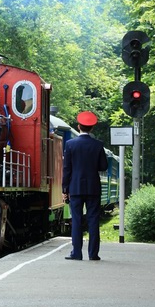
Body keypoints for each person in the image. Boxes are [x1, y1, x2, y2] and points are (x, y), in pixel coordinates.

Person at [62, 111, 108, 261]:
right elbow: (103, 166)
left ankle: (76, 253)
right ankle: (93, 254)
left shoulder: (70, 144)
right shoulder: (98, 145)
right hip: (93, 188)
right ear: (92, 128)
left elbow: (66, 169)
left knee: (76, 220)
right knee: (93, 220)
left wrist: (64, 189)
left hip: (75, 188)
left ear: (78, 126)